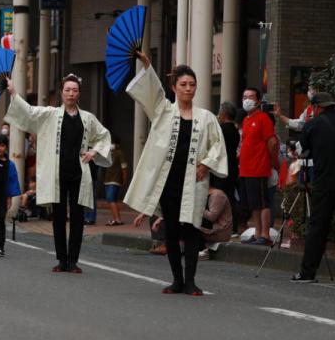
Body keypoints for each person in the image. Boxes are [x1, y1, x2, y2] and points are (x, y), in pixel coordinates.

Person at [127, 52, 228, 296]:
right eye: (183, 84)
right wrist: (148, 65)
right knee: (171, 231)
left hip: (194, 182)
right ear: (174, 87)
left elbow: (218, 145)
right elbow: (153, 91)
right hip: (169, 182)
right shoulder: (163, 111)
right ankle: (176, 279)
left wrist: (206, 162)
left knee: (192, 229)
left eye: (192, 85)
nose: (188, 89)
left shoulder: (206, 118)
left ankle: (191, 280)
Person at [4, 74, 112, 273]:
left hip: (79, 174)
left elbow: (104, 136)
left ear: (79, 93)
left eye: (75, 90)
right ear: (61, 93)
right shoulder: (50, 114)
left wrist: (93, 152)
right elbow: (28, 112)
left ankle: (73, 261)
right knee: (59, 217)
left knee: (78, 218)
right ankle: (62, 260)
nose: (71, 94)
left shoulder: (88, 118)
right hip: (57, 174)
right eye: (67, 90)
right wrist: (13, 92)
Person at [292, 92, 335, 283]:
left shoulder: (313, 124)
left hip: (325, 182)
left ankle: (308, 272)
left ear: (317, 107)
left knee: (318, 227)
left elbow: (301, 151)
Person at [239, 87, 279, 246]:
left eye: (250, 97)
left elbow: (272, 142)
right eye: (244, 97)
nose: (247, 100)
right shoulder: (246, 119)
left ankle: (265, 234)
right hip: (247, 169)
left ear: (258, 101)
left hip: (260, 168)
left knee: (263, 203)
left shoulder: (263, 118)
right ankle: (257, 233)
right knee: (254, 204)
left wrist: (272, 162)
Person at [214, 101, 243, 227]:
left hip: (221, 168)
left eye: (220, 112)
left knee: (219, 197)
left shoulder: (221, 130)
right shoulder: (235, 131)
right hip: (232, 167)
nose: (218, 114)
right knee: (230, 197)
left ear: (224, 114)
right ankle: (233, 226)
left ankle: (222, 225)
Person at [103, 137, 129, 226]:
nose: (111, 145)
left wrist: (124, 180)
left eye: (113, 143)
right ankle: (116, 218)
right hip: (107, 180)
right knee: (112, 200)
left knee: (111, 200)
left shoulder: (119, 153)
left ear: (117, 144)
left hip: (115, 180)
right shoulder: (110, 153)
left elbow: (124, 168)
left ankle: (117, 219)